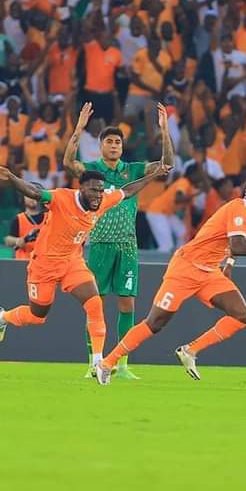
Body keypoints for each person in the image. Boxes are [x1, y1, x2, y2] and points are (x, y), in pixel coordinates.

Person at [94, 181, 246, 385]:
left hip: (209, 273)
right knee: (155, 322)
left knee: (241, 315)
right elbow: (237, 245)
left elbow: (233, 243)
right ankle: (106, 363)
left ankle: (190, 350)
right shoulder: (238, 207)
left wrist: (228, 263)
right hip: (186, 268)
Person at [0, 160, 170, 368]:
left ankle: (98, 363)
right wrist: (11, 177)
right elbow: (35, 192)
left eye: (101, 191)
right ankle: (2, 317)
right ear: (81, 187)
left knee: (95, 305)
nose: (98, 195)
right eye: (93, 190)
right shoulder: (61, 197)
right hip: (44, 265)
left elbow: (127, 191)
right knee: (37, 316)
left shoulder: (103, 200)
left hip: (72, 262)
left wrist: (153, 175)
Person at [63, 102, 175, 379]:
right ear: (101, 146)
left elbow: (166, 165)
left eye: (117, 142)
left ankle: (121, 365)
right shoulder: (92, 171)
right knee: (95, 304)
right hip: (99, 244)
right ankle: (94, 363)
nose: (114, 145)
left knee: (127, 304)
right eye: (109, 141)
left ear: (122, 147)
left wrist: (164, 131)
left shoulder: (134, 170)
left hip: (127, 246)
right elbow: (68, 163)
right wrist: (78, 128)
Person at [5, 191, 46, 260]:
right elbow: (8, 240)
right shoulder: (18, 219)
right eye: (29, 196)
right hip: (24, 261)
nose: (32, 198)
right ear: (23, 198)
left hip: (43, 261)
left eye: (34, 196)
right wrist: (17, 241)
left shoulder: (48, 217)